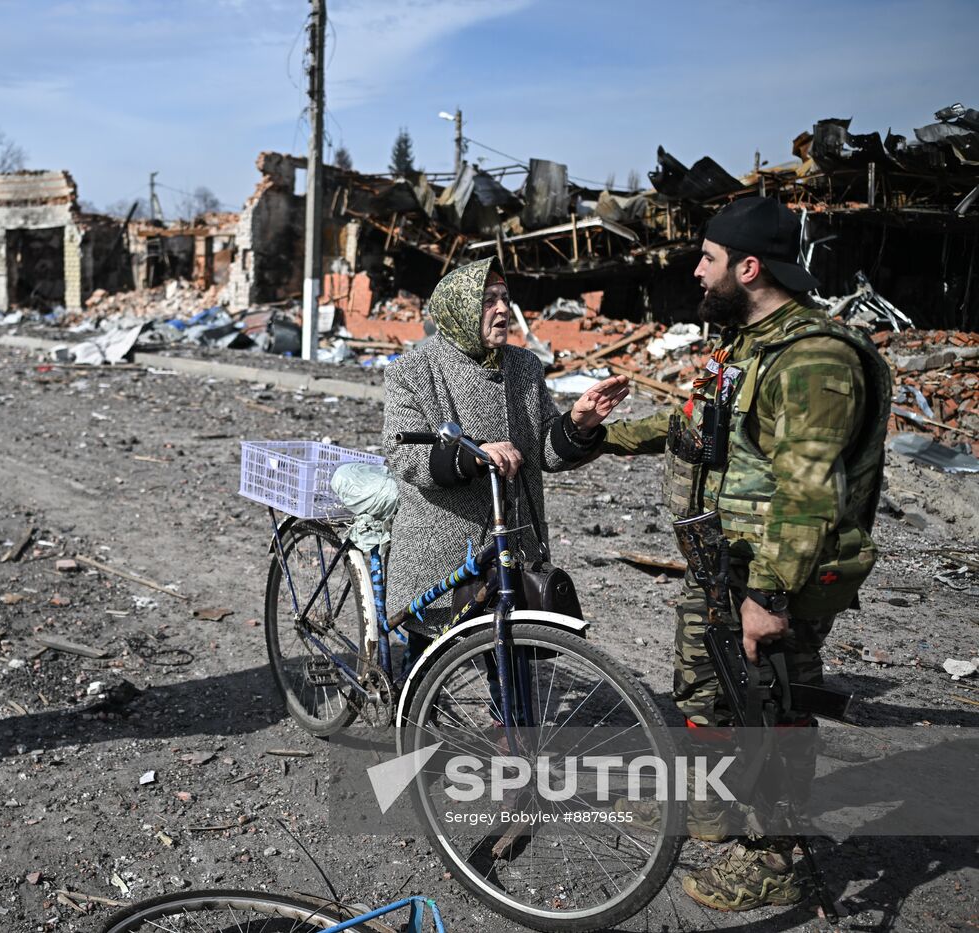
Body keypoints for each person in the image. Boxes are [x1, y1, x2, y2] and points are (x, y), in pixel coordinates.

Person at [601, 197, 891, 911]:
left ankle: (776, 857)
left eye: (707, 258)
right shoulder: (751, 346)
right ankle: (712, 811)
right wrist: (594, 435)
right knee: (707, 694)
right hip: (721, 567)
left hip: (770, 577)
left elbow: (808, 492)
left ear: (749, 266)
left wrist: (770, 597)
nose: (697, 270)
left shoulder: (813, 359)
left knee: (771, 711)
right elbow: (695, 430)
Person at [381, 256, 630, 630]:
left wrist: (576, 425)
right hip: (441, 550)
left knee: (511, 662)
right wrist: (476, 455)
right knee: (428, 664)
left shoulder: (525, 366)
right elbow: (405, 454)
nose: (502, 309)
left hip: (514, 542)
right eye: (487, 300)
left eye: (504, 297)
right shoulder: (412, 371)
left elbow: (543, 450)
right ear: (459, 308)